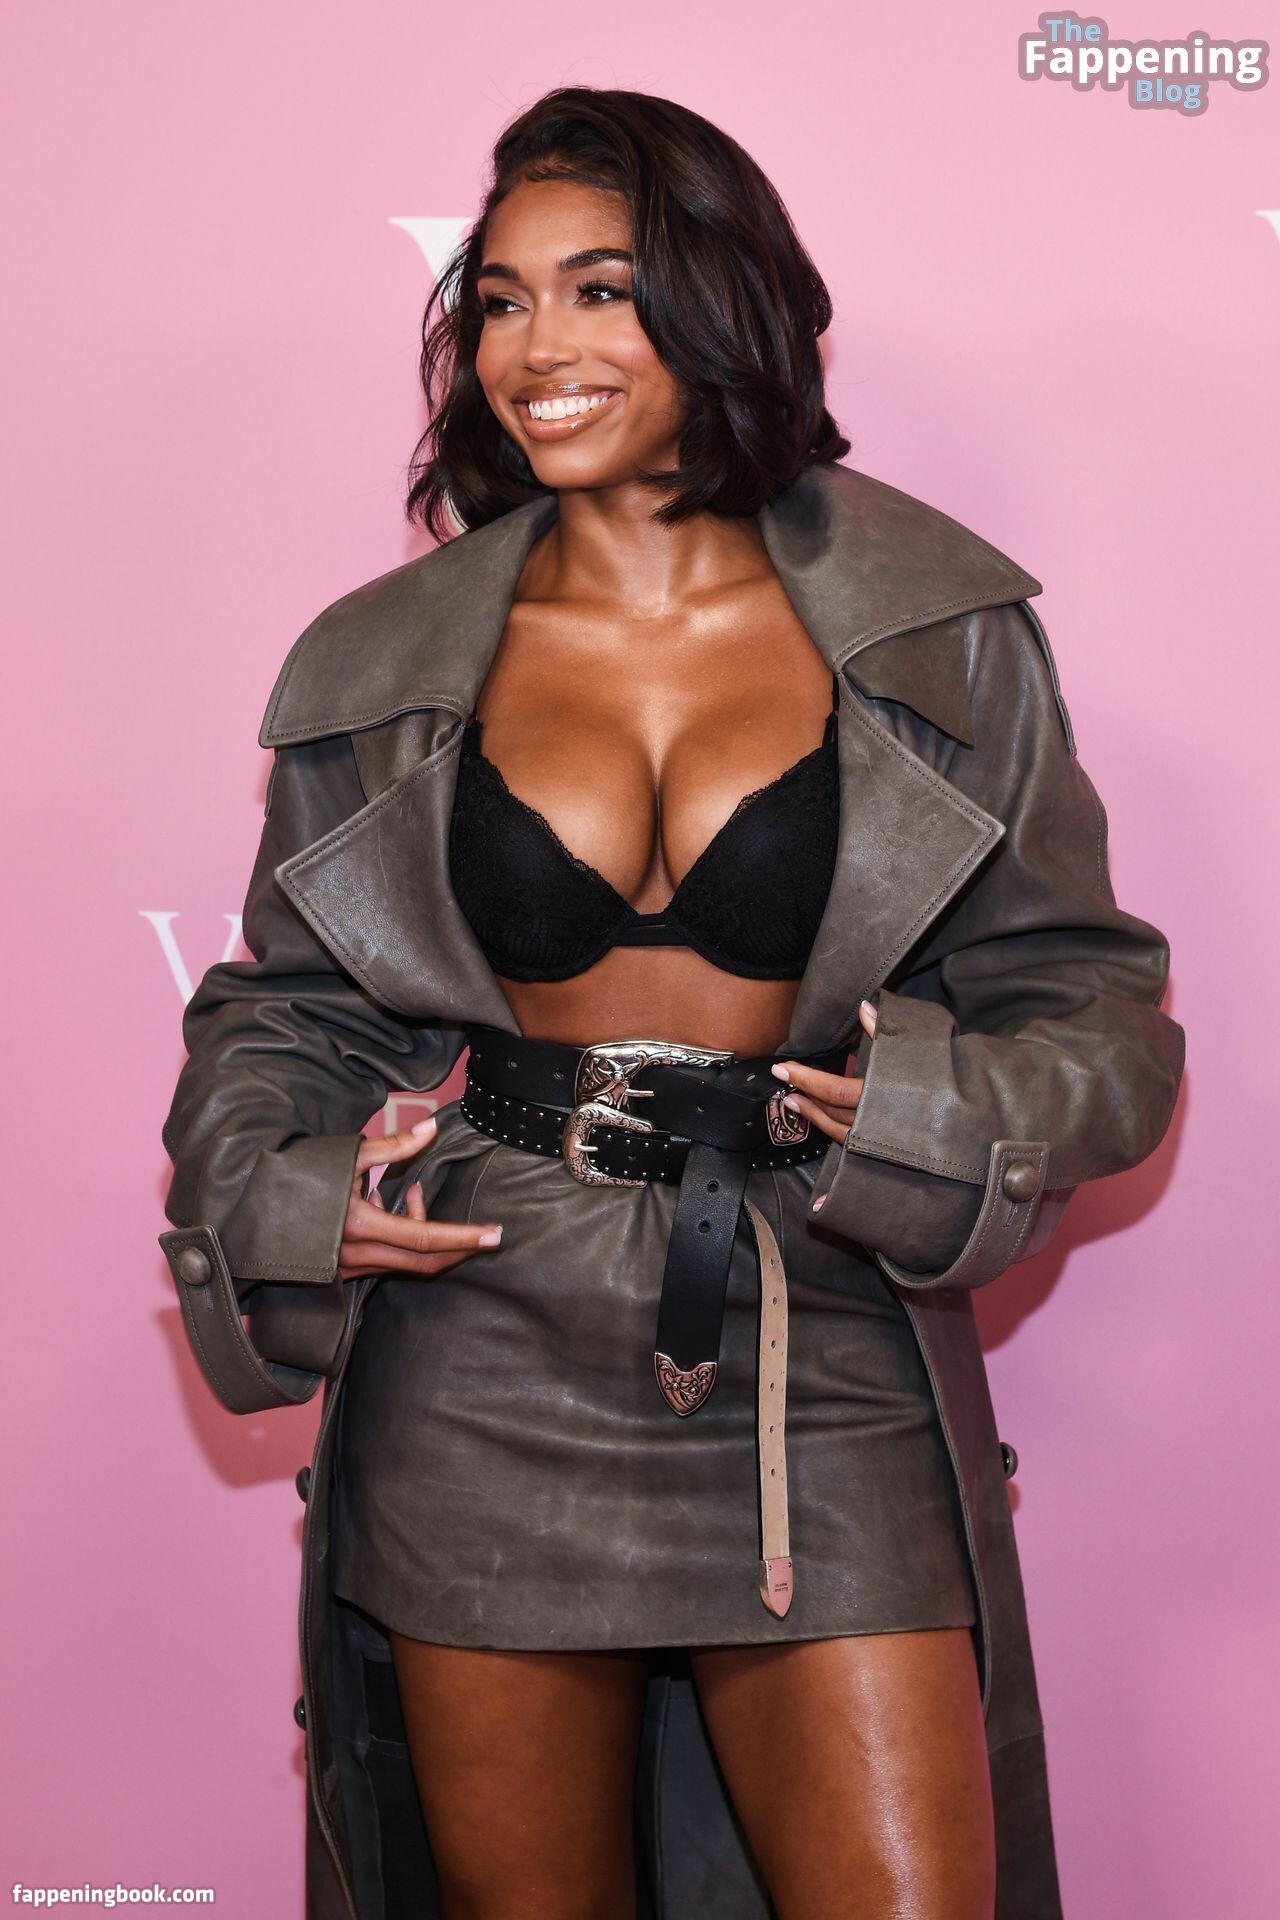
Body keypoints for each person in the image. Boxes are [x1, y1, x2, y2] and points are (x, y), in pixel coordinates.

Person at [159, 86, 1185, 1920]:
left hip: (823, 1329)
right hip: (486, 1345)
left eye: (600, 290)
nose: (535, 349)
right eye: (500, 300)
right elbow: (283, 1006)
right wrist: (287, 1189)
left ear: (721, 302)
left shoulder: (938, 629)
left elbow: (1090, 1002)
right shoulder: (384, 660)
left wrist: (935, 1113)